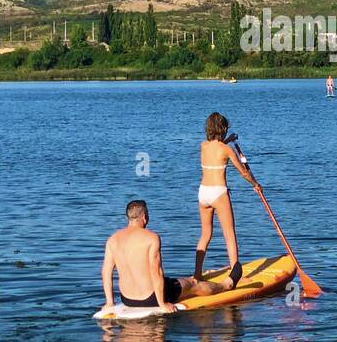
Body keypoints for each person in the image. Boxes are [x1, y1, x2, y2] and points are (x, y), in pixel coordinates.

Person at [102, 199, 227, 314]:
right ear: (144, 217)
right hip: (151, 299)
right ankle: (225, 286)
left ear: (128, 218)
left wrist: (109, 303)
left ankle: (110, 302)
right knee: (193, 283)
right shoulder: (151, 238)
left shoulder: (112, 240)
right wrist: (162, 303)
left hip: (127, 299)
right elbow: (156, 272)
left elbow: (106, 273)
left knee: (173, 282)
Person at [195, 112, 260, 289]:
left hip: (203, 193)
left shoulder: (203, 146)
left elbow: (216, 148)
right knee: (229, 234)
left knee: (205, 234)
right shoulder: (227, 150)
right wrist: (255, 184)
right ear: (223, 128)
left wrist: (229, 139)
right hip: (218, 193)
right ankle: (236, 275)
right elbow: (244, 172)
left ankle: (197, 275)